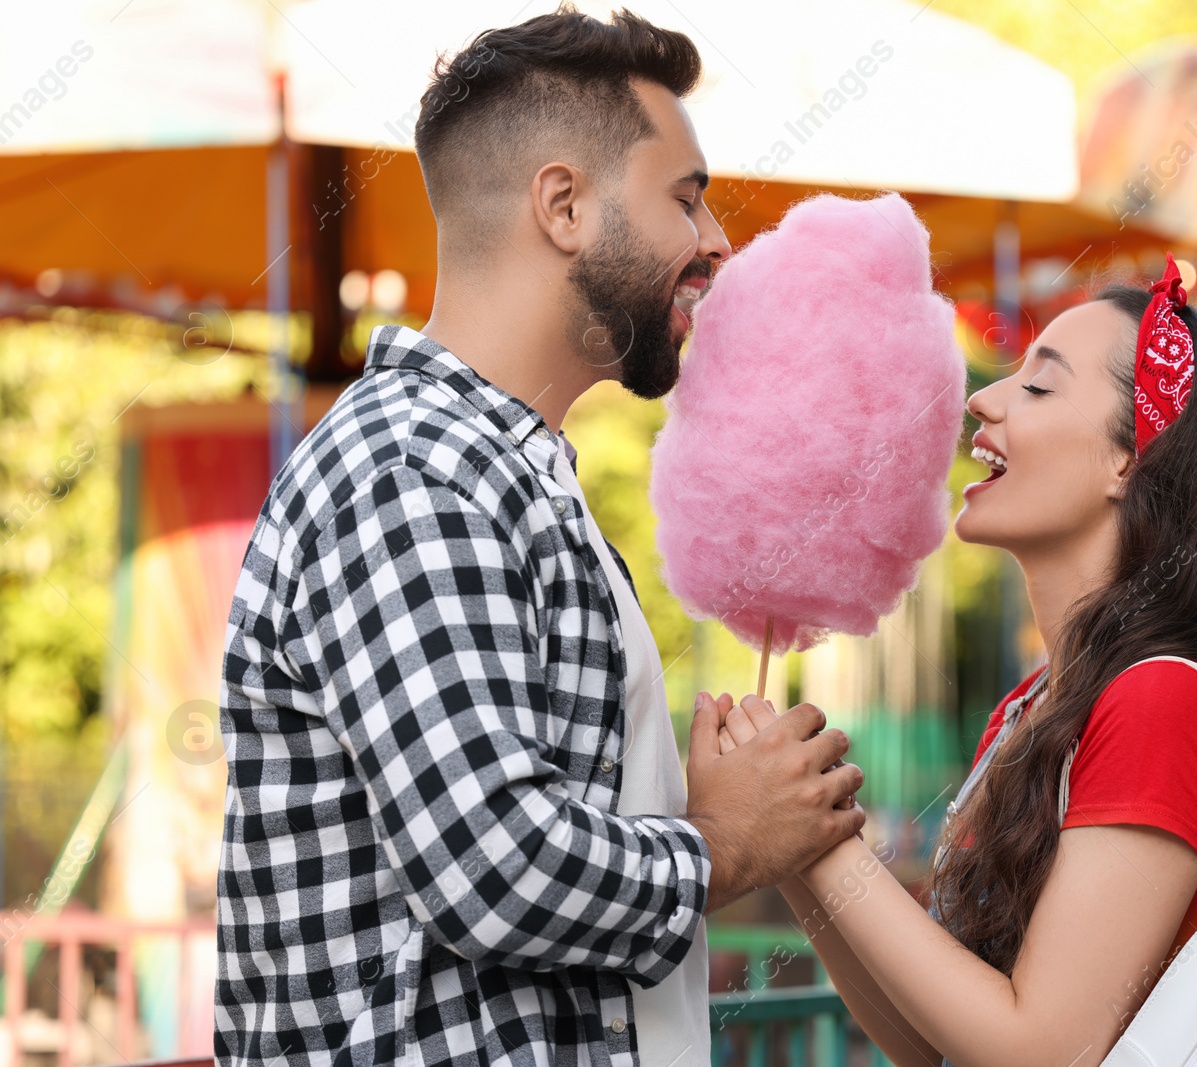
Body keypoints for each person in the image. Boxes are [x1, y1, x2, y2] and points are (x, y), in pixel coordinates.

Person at [213, 8, 864, 1067]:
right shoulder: (410, 471)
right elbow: (493, 862)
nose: (716, 242)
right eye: (685, 196)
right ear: (563, 206)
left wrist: (707, 801)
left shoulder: (505, 471)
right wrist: (731, 838)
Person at [714, 258, 1197, 1066]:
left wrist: (828, 848)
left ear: (1134, 459)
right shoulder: (1030, 710)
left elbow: (1040, 1050)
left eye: (1039, 388)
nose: (983, 398)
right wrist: (792, 844)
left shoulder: (1165, 702)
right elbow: (933, 1044)